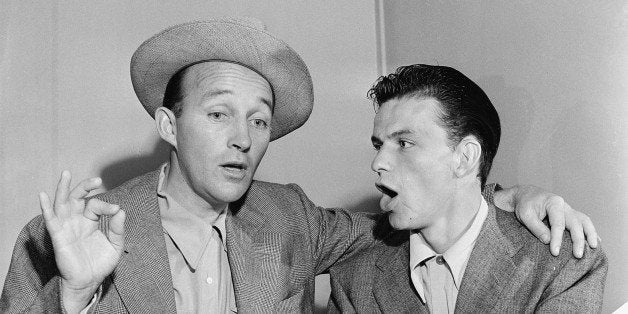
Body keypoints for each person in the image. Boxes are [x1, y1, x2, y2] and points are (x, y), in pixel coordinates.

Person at [1, 20, 598, 313]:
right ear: (168, 125)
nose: (242, 139)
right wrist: (74, 293)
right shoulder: (62, 238)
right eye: (218, 114)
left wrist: (508, 197)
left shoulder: (289, 217)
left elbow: (414, 216)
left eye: (259, 121)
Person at [328, 64, 608, 313]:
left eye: (403, 143)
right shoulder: (354, 279)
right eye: (379, 146)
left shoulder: (565, 263)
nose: (378, 162)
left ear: (465, 158)